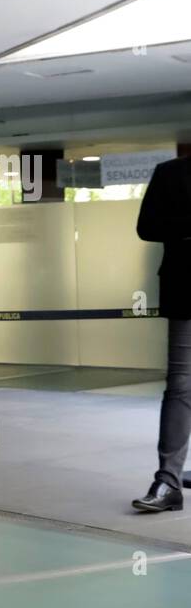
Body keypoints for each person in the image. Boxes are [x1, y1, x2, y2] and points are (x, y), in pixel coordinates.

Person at [133, 153, 191, 513]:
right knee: (181, 383)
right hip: (185, 288)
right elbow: (146, 227)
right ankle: (168, 481)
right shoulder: (171, 172)